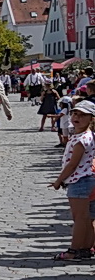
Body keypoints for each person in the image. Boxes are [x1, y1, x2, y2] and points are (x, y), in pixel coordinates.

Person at [49, 100, 94, 262]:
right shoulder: (82, 135)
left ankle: (74, 251)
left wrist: (58, 180)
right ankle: (86, 248)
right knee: (87, 218)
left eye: (83, 115)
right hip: (86, 180)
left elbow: (73, 164)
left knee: (80, 218)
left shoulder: (82, 139)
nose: (77, 117)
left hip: (80, 181)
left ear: (91, 119)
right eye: (75, 113)